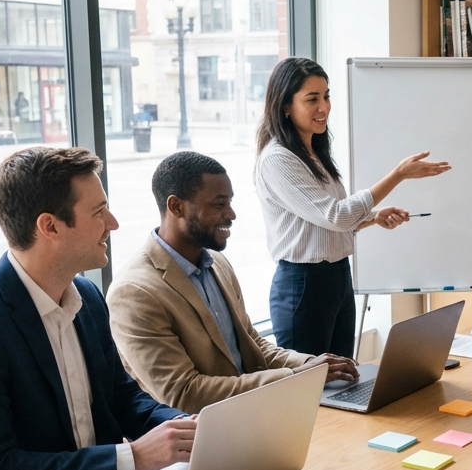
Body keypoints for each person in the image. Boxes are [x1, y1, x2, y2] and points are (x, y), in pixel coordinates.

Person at [0, 148, 194, 470]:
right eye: (99, 212)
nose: (113, 223)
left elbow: (120, 398)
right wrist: (132, 457)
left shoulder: (87, 298)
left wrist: (189, 430)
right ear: (49, 227)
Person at [107, 151, 360, 416]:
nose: (231, 214)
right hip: (201, 437)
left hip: (252, 414)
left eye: (230, 202)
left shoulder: (217, 263)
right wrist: (295, 376)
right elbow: (183, 393)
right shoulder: (134, 292)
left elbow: (253, 344)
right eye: (219, 205)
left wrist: (316, 365)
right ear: (176, 207)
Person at [254, 58, 451, 357]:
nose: (324, 107)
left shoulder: (313, 152)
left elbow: (325, 221)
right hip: (304, 284)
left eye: (327, 96)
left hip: (337, 278)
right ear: (285, 106)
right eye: (312, 99)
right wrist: (398, 174)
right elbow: (336, 215)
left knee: (342, 377)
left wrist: (372, 218)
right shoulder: (277, 159)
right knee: (310, 388)